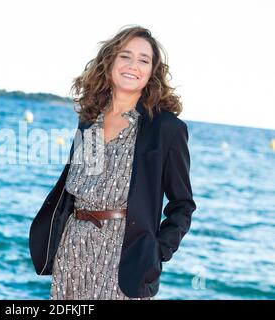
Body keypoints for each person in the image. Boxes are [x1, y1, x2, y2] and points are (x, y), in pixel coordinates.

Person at [28, 25, 196, 300]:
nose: (133, 65)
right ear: (110, 62)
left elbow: (183, 204)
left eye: (144, 60)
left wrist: (156, 252)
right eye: (125, 56)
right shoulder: (89, 119)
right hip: (72, 250)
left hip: (126, 259)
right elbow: (77, 184)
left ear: (152, 72)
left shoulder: (166, 128)